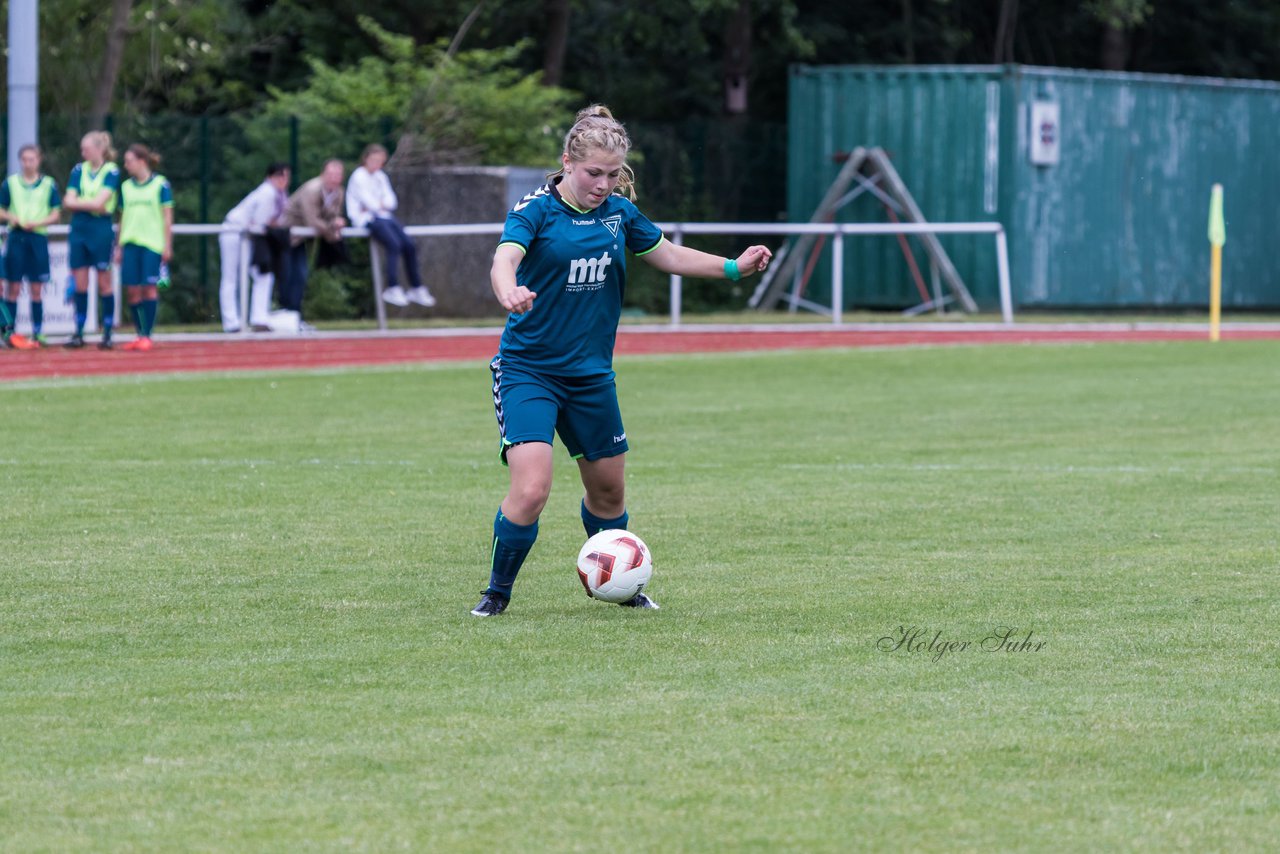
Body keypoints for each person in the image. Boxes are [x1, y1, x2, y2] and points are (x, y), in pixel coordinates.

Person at [470, 105, 772, 617]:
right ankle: (496, 594)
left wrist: (732, 268)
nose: (603, 184)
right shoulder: (536, 210)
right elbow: (506, 258)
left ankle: (622, 584)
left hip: (590, 377)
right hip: (529, 371)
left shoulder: (618, 214)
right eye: (593, 173)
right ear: (567, 161)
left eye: (613, 175)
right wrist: (508, 290)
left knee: (608, 495)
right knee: (531, 487)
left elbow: (669, 255)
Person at [346, 144, 435, 309]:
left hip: (384, 218)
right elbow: (371, 204)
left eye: (380, 161)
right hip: (366, 219)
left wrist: (378, 205)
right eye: (374, 160)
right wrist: (378, 205)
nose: (377, 164)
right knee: (394, 244)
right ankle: (392, 287)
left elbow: (392, 202)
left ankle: (416, 287)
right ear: (366, 159)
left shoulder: (380, 176)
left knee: (409, 244)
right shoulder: (358, 176)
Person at [62, 131, 121, 349]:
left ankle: (107, 333)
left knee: (105, 282)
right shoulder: (79, 169)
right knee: (80, 282)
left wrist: (81, 202)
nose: (82, 152)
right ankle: (78, 332)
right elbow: (68, 201)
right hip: (79, 229)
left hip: (100, 230)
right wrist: (91, 204)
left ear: (99, 149)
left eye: (86, 148)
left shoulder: (111, 171)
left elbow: (100, 203)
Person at [0, 144, 62, 347]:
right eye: (24, 159)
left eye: (32, 159)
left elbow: (56, 213)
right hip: (16, 237)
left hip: (37, 238)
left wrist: (38, 222)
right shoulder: (10, 183)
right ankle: (11, 333)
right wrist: (13, 217)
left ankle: (38, 332)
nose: (28, 163)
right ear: (20, 161)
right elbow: (1, 210)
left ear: (39, 160)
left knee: (37, 288)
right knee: (13, 288)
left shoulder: (48, 184)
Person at [219, 162, 291, 333]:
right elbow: (262, 222)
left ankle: (259, 317)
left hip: (253, 237)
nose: (283, 180)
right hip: (236, 232)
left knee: (263, 274)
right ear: (270, 177)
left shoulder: (280, 195)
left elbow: (272, 222)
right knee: (231, 277)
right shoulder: (267, 192)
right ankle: (231, 322)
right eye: (279, 176)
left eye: (286, 176)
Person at [115, 143, 173, 352]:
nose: (126, 165)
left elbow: (167, 217)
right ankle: (139, 333)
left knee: (149, 288)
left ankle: (147, 334)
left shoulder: (160, 185)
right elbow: (122, 218)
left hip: (152, 244)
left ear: (141, 161)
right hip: (130, 243)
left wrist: (167, 245)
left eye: (129, 160)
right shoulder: (126, 187)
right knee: (132, 290)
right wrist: (118, 245)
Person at [282, 159, 347, 330]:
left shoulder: (339, 192)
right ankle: (286, 318)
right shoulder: (312, 190)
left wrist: (337, 222)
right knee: (288, 277)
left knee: (300, 276)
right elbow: (313, 221)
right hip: (284, 238)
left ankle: (294, 319)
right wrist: (333, 233)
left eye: (338, 174)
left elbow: (331, 215)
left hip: (300, 239)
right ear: (323, 174)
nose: (334, 178)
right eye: (331, 174)